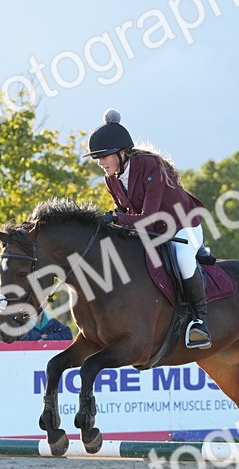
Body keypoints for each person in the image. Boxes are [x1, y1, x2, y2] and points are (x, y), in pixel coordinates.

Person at [85, 108, 212, 349]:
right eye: (97, 158)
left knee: (184, 259)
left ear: (122, 153)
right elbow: (125, 212)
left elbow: (148, 216)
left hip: (181, 226)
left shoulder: (149, 165)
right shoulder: (111, 178)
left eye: (104, 157)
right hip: (151, 231)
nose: (100, 163)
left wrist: (115, 218)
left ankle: (200, 322)